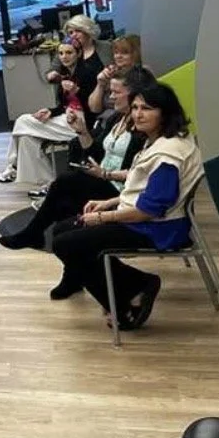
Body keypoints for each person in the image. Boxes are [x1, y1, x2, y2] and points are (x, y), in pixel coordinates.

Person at [48, 83, 203, 330]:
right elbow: (142, 188)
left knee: (65, 243)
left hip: (157, 227)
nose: (138, 114)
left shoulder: (168, 155)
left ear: (165, 112)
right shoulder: (162, 141)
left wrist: (104, 218)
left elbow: (149, 210)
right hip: (146, 219)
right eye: (135, 107)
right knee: (61, 232)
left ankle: (126, 299)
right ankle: (131, 287)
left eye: (147, 108)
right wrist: (109, 202)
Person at [0, 67, 154, 252]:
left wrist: (105, 174)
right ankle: (47, 237)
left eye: (116, 92)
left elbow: (138, 175)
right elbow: (96, 153)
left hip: (119, 190)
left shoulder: (143, 129)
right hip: (103, 180)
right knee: (62, 207)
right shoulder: (116, 119)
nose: (110, 97)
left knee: (64, 183)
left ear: (134, 95)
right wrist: (82, 131)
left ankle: (33, 234)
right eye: (110, 91)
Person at [0, 42, 87, 187]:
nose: (64, 57)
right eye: (61, 53)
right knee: (26, 138)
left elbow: (90, 105)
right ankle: (49, 183)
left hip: (80, 121)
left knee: (22, 120)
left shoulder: (85, 73)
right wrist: (51, 111)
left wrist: (77, 91)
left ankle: (13, 166)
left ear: (78, 54)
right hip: (66, 117)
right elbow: (64, 104)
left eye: (69, 53)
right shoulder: (65, 74)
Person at [88, 34, 142, 114]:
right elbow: (94, 108)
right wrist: (100, 84)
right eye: (116, 52)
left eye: (124, 53)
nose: (118, 56)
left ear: (136, 53)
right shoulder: (110, 72)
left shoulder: (141, 76)